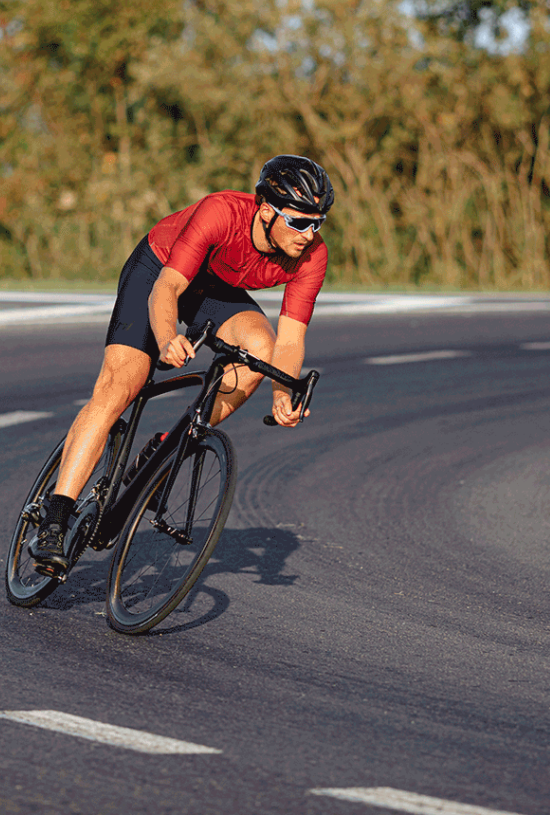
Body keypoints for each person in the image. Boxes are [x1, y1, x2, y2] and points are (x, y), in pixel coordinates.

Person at [29, 154, 333, 576]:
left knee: (260, 350)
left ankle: (171, 444)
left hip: (215, 287)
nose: (309, 234)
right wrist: (168, 336)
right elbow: (168, 287)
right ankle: (55, 518)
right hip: (160, 270)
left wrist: (283, 393)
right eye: (300, 222)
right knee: (122, 386)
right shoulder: (221, 212)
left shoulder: (311, 256)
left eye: (318, 222)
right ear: (266, 210)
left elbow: (291, 338)